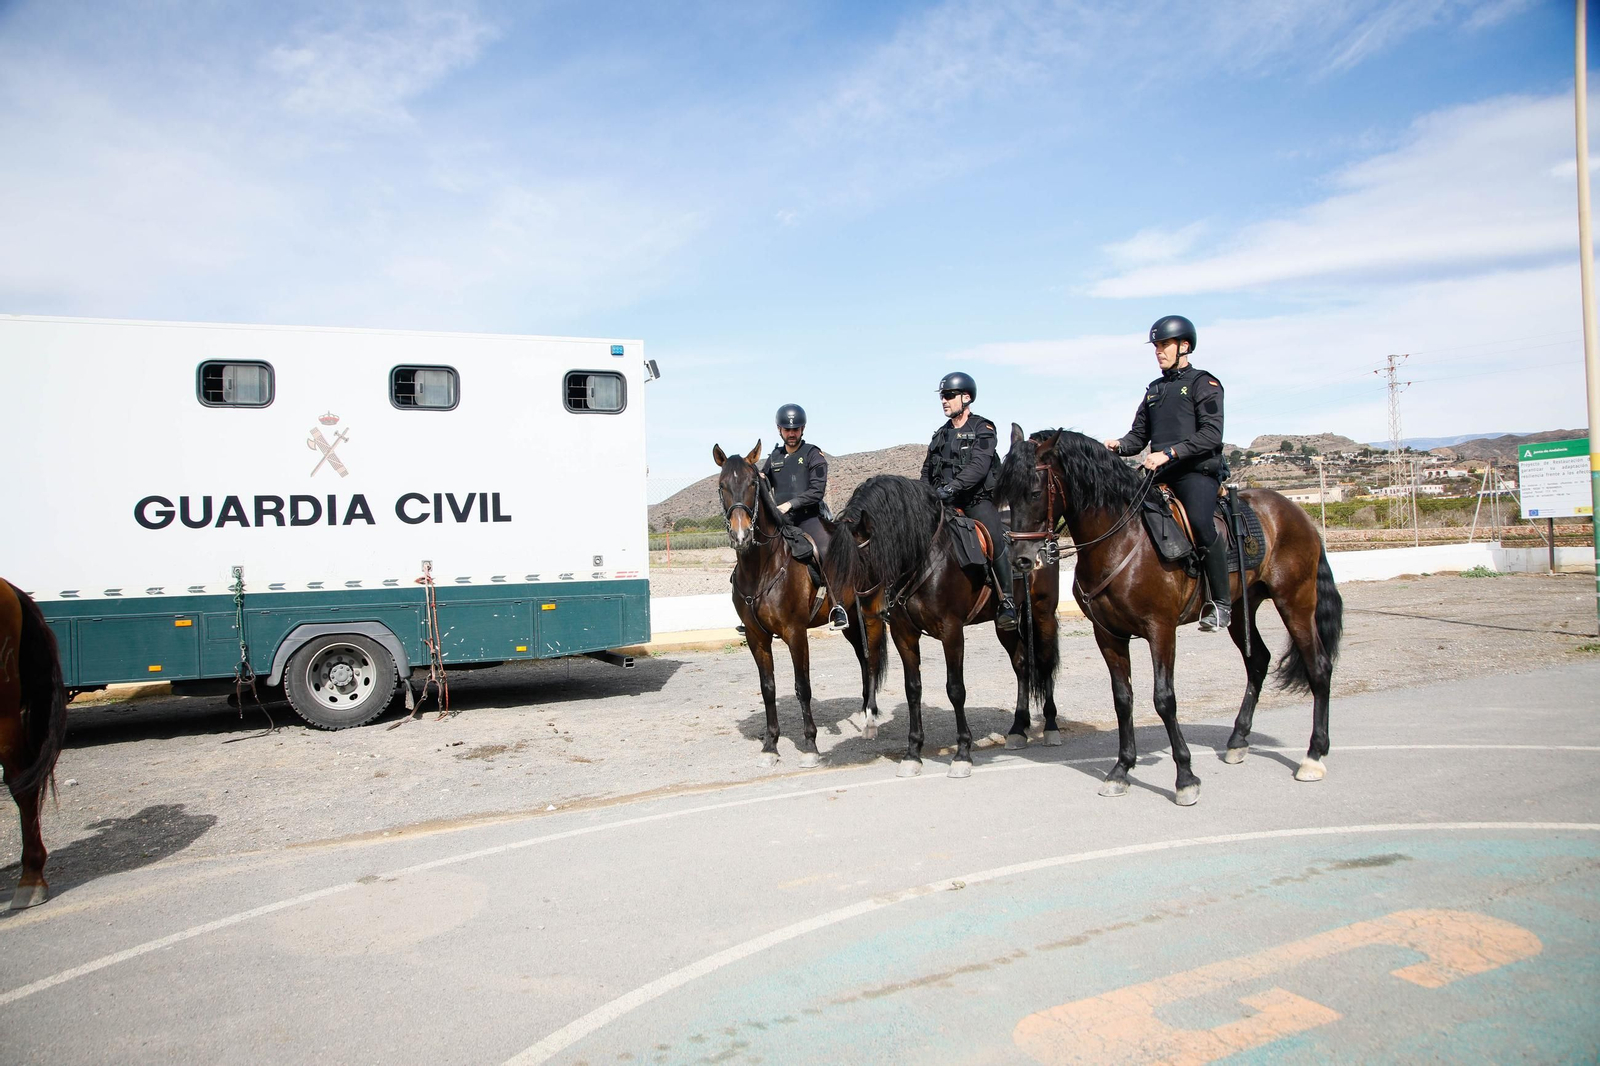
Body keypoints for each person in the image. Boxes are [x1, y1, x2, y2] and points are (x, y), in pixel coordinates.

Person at [1103, 315, 1231, 631]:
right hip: (1160, 474)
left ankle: (1222, 604)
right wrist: (1117, 445)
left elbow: (1211, 435)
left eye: (1164, 345)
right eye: (1156, 346)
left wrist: (1170, 453)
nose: (1158, 351)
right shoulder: (1154, 391)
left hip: (1195, 473)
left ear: (1184, 346)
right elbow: (1137, 438)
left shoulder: (1205, 383)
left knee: (1201, 524)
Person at [921, 372, 1018, 630]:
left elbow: (978, 466)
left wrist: (952, 488)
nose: (944, 400)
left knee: (994, 535)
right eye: (943, 396)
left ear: (966, 397)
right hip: (943, 503)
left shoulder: (983, 428)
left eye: (949, 396)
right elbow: (927, 471)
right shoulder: (939, 435)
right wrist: (923, 496)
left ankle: (1007, 600)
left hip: (976, 500)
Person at [762, 403, 851, 631]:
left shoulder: (813, 454)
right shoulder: (774, 457)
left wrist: (788, 505)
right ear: (779, 429)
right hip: (782, 521)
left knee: (827, 549)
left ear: (803, 429)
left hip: (810, 518)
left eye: (796, 429)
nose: (791, 434)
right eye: (787, 429)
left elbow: (816, 492)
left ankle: (837, 605)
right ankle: (753, 609)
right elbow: (763, 483)